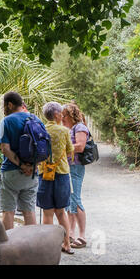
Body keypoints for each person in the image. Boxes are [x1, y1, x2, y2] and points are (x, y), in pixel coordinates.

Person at [0, 92, 41, 230]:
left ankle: (10, 248)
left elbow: (5, 149)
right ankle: (32, 247)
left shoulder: (6, 121)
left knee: (8, 211)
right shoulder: (36, 119)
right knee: (29, 211)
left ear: (9, 104)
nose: (3, 110)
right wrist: (31, 166)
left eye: (4, 106)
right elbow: (43, 148)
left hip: (11, 172)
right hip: (32, 174)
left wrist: (21, 165)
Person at [37, 102, 75, 254]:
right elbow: (70, 151)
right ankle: (66, 244)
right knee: (61, 212)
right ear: (57, 115)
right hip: (61, 174)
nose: (62, 116)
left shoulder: (40, 130)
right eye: (61, 113)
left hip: (44, 174)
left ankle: (47, 247)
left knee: (47, 212)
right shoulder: (64, 131)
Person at [62, 103, 89, 249]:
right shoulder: (69, 129)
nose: (62, 118)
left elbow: (80, 146)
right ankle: (71, 234)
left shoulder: (80, 127)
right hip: (68, 167)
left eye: (64, 115)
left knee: (76, 199)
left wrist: (62, 148)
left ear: (71, 115)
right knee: (69, 201)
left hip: (75, 167)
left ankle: (82, 236)